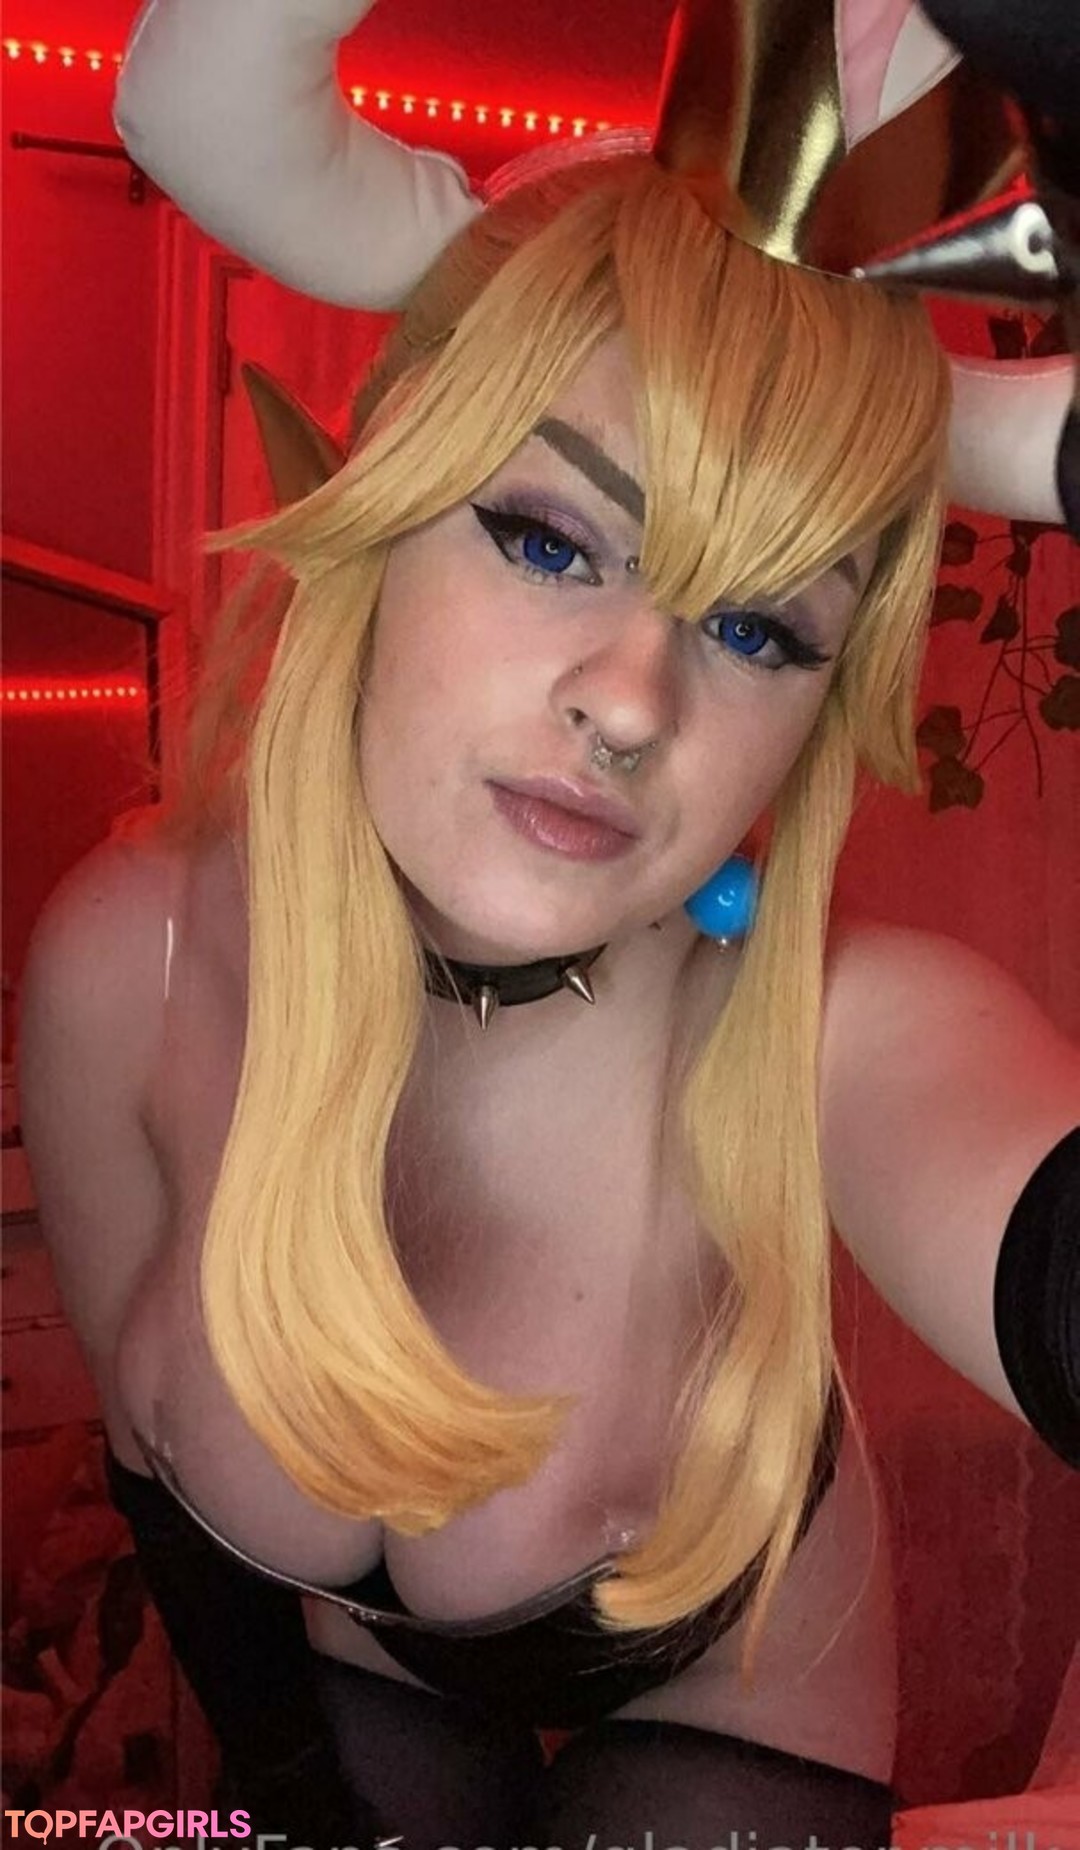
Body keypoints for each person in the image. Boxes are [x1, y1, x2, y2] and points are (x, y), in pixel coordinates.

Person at [15, 1, 1080, 1845]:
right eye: (547, 538)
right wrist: (295, 1806)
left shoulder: (835, 1027)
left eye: (758, 628)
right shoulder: (135, 961)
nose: (634, 700)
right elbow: (161, 1492)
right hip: (353, 1674)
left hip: (725, 1683)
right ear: (386, 500)